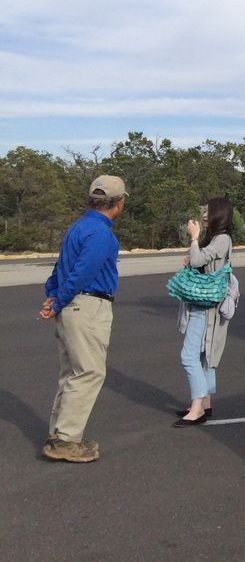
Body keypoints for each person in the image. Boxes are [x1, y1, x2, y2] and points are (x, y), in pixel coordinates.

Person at [39, 174, 128, 463]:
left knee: (71, 374)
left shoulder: (77, 227)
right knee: (89, 372)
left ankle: (59, 435)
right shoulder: (101, 234)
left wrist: (53, 294)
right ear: (118, 203)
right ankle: (66, 440)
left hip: (70, 307)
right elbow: (83, 271)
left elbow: (61, 266)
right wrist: (59, 299)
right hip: (88, 306)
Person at [175, 197, 235, 427]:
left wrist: (193, 238)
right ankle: (205, 403)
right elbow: (198, 260)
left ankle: (197, 408)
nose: (204, 215)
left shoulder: (222, 239)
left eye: (208, 211)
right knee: (204, 357)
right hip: (204, 304)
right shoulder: (217, 239)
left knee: (189, 356)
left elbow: (198, 259)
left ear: (219, 214)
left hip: (205, 307)